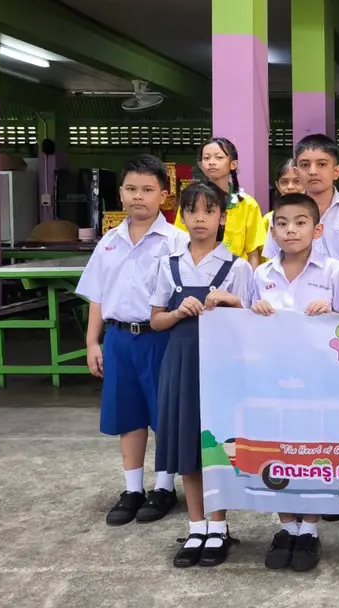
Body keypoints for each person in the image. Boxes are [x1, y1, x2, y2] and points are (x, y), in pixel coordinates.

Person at [77, 154, 189, 527]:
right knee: (128, 414)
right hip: (119, 339)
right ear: (121, 194)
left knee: (164, 414)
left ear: (164, 195)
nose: (138, 196)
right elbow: (97, 296)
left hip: (161, 339)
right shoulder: (109, 242)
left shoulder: (177, 241)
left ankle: (164, 487)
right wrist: (93, 342)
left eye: (147, 189)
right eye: (131, 189)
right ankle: (132, 489)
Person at [149, 182, 255, 568]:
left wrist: (232, 302)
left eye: (209, 211)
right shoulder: (169, 265)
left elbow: (252, 322)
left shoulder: (237, 267)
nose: (200, 219)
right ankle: (196, 527)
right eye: (192, 211)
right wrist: (177, 313)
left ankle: (219, 527)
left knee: (215, 445)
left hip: (222, 368)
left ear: (222, 218)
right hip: (181, 363)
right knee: (186, 445)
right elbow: (155, 320)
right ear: (181, 216)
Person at [250, 192, 339, 573]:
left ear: (317, 229)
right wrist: (254, 310)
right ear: (272, 231)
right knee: (276, 448)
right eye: (281, 223)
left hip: (319, 379)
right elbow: (244, 329)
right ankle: (286, 526)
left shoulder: (333, 272)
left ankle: (309, 528)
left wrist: (333, 311)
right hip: (273, 378)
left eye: (300, 222)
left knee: (312, 449)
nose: (290, 230)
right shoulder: (261, 275)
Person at [265, 134, 339, 281]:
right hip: (293, 293)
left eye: (321, 164)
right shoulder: (281, 215)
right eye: (305, 165)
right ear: (297, 172)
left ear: (336, 171)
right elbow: (273, 266)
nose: (313, 171)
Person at [175, 137, 266, 267]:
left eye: (219, 157)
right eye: (206, 158)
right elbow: (179, 242)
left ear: (233, 164)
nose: (212, 162)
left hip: (236, 274)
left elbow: (253, 253)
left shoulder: (248, 204)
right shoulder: (190, 200)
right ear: (201, 165)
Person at [255, 158, 303, 254]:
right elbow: (266, 255)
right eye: (284, 182)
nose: (290, 187)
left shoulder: (314, 215)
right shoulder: (269, 219)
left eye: (297, 181)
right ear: (277, 185)